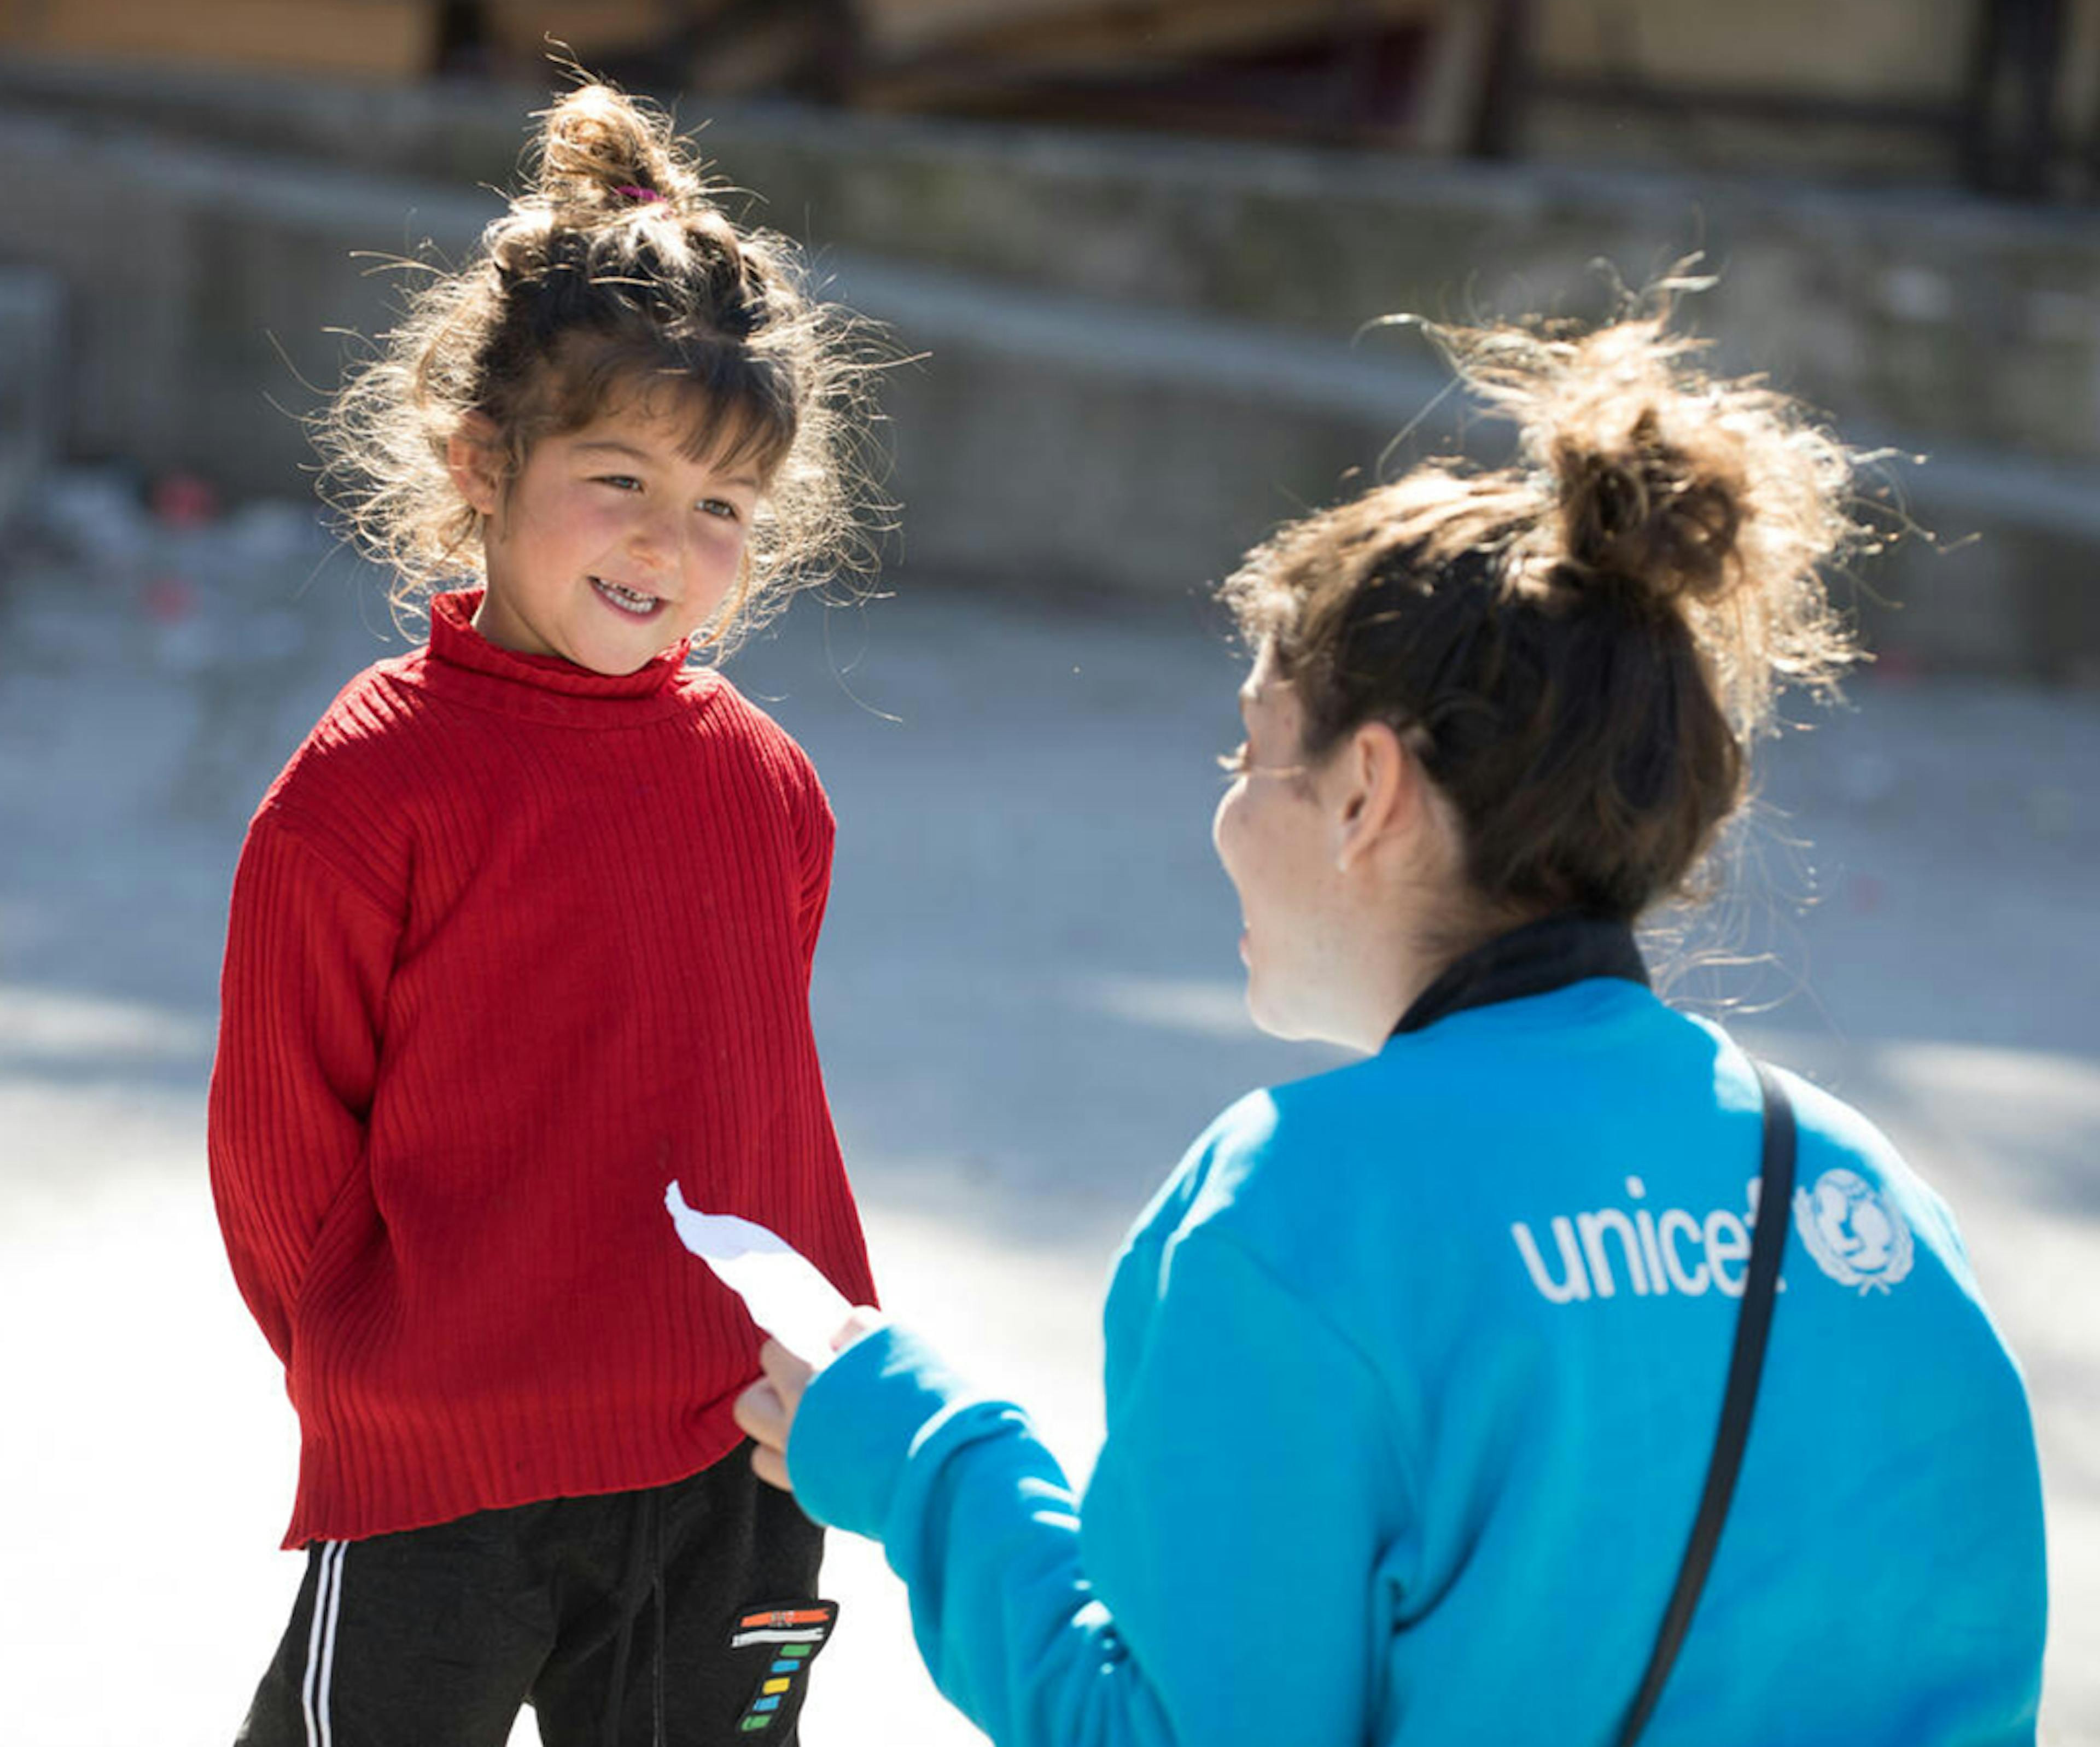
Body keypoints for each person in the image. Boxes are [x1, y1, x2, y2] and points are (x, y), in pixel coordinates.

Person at [736, 308, 2049, 1745]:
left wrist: (921, 1450)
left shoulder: (1300, 1201)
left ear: (1367, 791)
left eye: (1252, 752)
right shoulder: (1869, 1196)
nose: (1228, 810)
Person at [209, 81, 879, 1747]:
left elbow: (761, 1111)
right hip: (452, 1477)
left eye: (723, 506)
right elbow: (280, 1157)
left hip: (733, 1463)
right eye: (621, 479)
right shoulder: (367, 791)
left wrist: (834, 1371)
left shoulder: (768, 784)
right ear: (481, 463)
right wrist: (390, 1386)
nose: (671, 543)